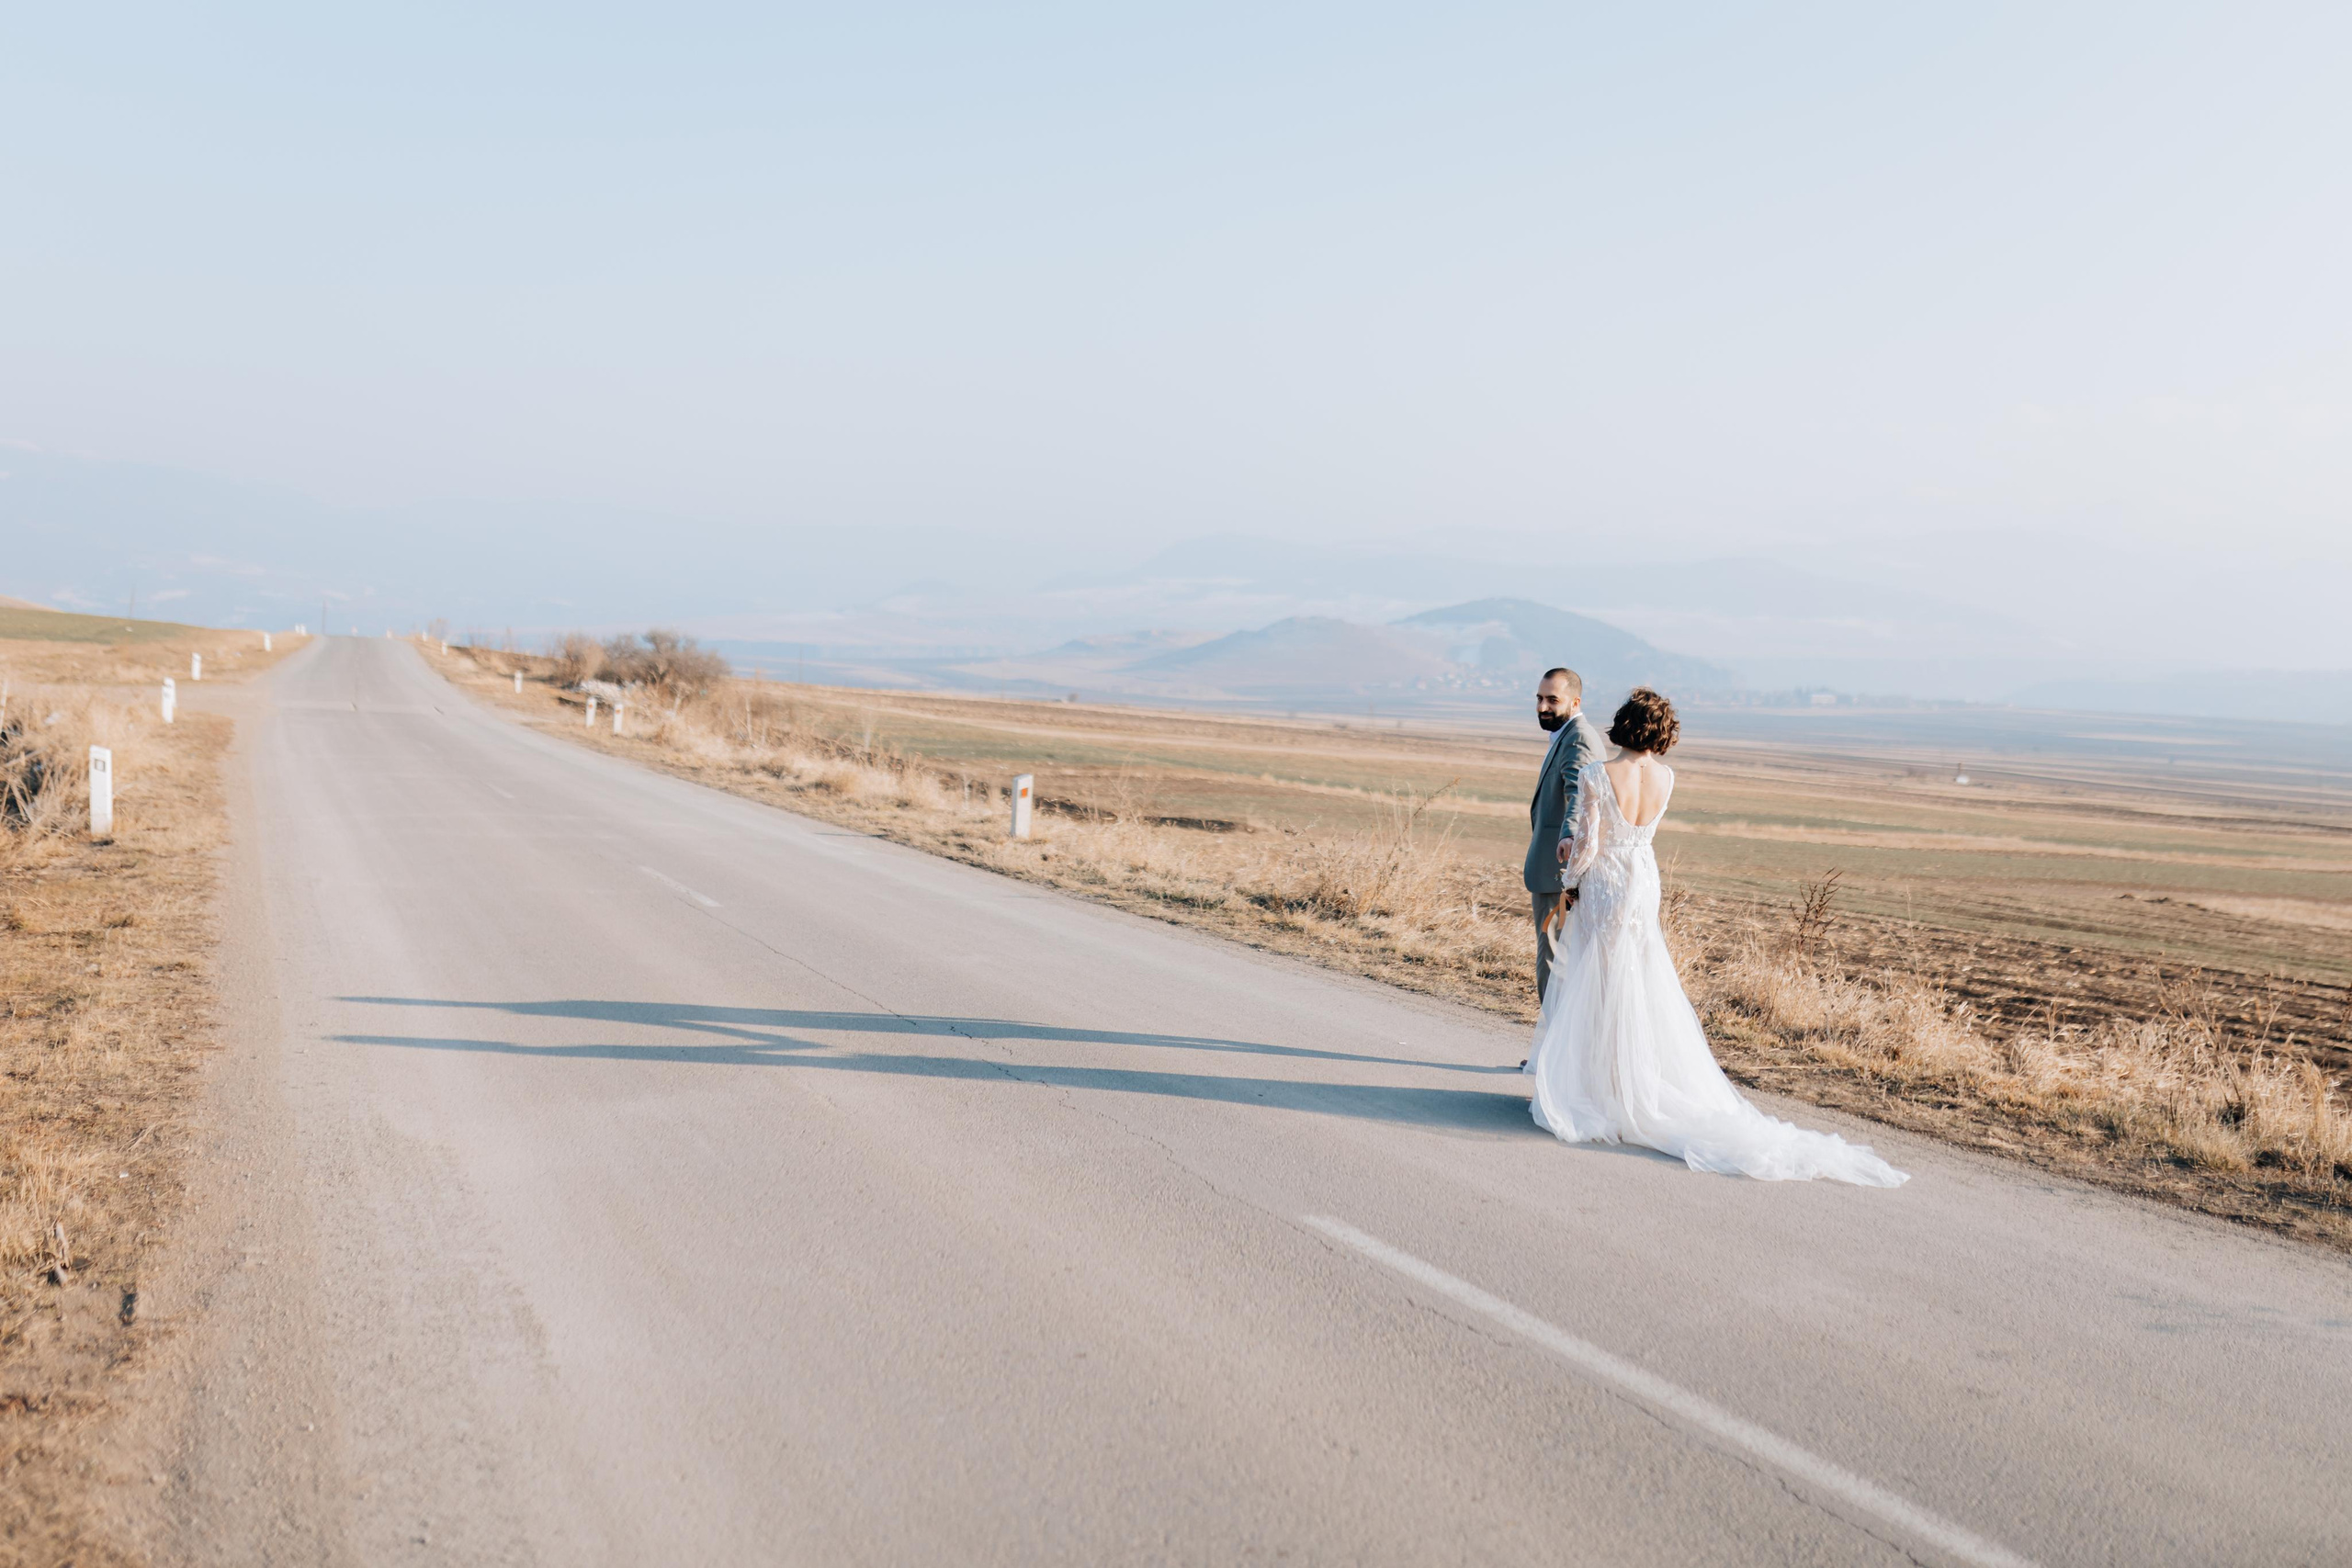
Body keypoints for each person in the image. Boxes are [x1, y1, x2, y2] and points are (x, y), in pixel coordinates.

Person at [1523, 688, 1907, 1186]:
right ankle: (1629, 1083)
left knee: (1600, 980)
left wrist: (1569, 871)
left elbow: (1588, 847)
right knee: (1638, 977)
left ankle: (1604, 1090)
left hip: (1606, 883)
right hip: (1642, 881)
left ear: (1622, 723)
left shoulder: (1600, 774)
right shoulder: (1666, 777)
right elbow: (1640, 833)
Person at [1523, 667, 1606, 1005]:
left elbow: (1580, 793)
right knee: (1559, 958)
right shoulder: (1566, 735)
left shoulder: (1579, 738)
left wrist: (1569, 837)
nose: (1542, 707)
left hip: (1559, 869)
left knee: (1553, 959)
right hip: (1558, 868)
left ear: (1575, 701)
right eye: (1540, 698)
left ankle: (1551, 1054)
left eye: (1552, 700)